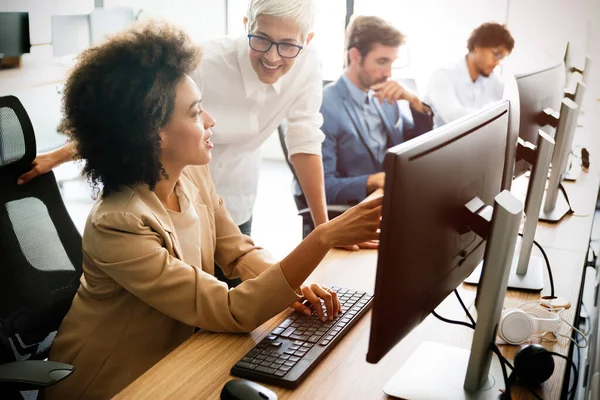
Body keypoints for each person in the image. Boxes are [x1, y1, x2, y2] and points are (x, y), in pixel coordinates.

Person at [42, 21, 381, 400]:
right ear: (153, 134)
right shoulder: (119, 223)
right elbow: (232, 310)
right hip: (111, 382)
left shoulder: (194, 175)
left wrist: (294, 288)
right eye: (195, 112)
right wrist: (323, 236)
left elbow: (236, 250)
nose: (211, 121)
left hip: (175, 362)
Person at [17, 0, 327, 238]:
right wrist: (60, 155)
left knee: (232, 276)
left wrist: (324, 230)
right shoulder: (207, 62)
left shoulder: (307, 66)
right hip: (173, 194)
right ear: (246, 24)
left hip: (235, 196)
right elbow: (132, 115)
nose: (272, 57)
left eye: (287, 45)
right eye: (261, 39)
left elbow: (305, 142)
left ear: (307, 40)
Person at [320, 16, 433, 205]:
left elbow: (417, 150)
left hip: (396, 200)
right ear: (355, 56)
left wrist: (415, 103)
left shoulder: (386, 96)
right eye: (382, 61)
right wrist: (372, 181)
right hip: (359, 210)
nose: (388, 73)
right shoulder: (326, 106)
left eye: (391, 62)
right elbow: (324, 187)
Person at [424, 22, 515, 128]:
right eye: (496, 54)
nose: (497, 62)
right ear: (478, 46)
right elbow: (454, 118)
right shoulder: (443, 76)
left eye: (501, 58)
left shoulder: (490, 78)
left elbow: (512, 99)